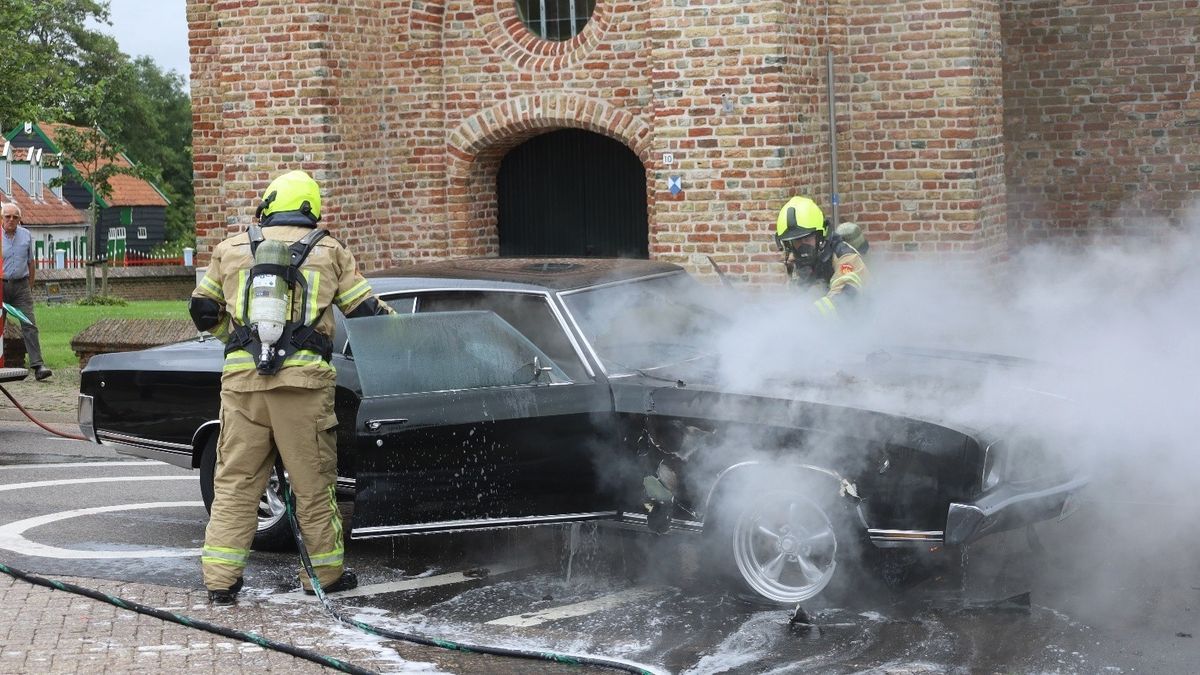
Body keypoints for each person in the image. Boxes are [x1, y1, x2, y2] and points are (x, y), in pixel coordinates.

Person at [188, 170, 392, 605]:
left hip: (243, 386)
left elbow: (203, 310)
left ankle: (220, 580)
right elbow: (367, 312)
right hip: (303, 388)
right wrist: (407, 332)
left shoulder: (230, 248)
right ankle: (324, 576)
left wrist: (237, 341)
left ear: (267, 204)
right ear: (311, 209)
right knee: (313, 486)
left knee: (237, 483)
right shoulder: (331, 251)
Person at [773, 196, 870, 319]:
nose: (802, 246)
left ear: (821, 234)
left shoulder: (845, 257)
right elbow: (796, 299)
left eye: (807, 238)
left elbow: (845, 297)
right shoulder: (798, 264)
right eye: (797, 241)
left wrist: (803, 318)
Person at [1, 202, 51, 380]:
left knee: (29, 324)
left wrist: (29, 286)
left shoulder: (26, 235)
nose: (11, 220)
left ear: (20, 219)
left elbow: (31, 262)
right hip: (1, 285)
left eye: (15, 217)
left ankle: (38, 366)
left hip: (21, 286)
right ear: (2, 218)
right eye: (8, 216)